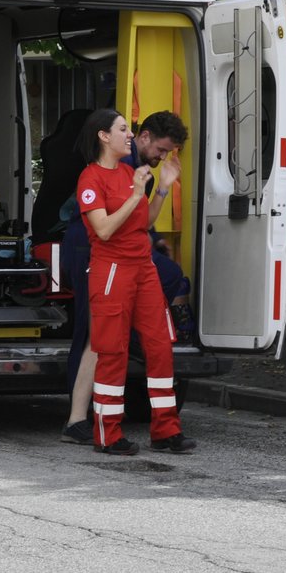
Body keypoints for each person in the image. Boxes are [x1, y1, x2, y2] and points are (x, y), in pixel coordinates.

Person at [60, 111, 189, 446]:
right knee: (109, 348)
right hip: (111, 267)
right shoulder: (91, 178)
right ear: (104, 136)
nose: (129, 135)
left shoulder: (130, 172)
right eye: (122, 129)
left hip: (141, 266)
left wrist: (161, 188)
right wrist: (135, 194)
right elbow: (102, 230)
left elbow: (143, 223)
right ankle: (106, 432)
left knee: (160, 346)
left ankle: (166, 430)